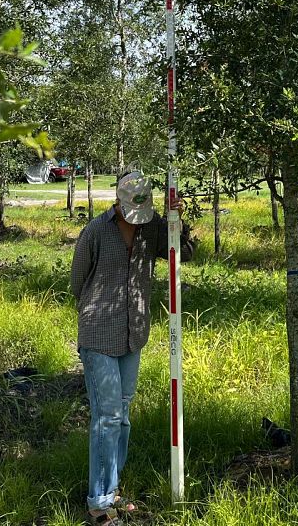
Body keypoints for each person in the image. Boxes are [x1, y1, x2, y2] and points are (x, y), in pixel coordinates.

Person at [70, 168, 194, 524]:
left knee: (122, 416)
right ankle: (99, 502)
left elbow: (182, 254)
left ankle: (111, 486)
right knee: (106, 417)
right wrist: (97, 309)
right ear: (117, 202)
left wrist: (177, 221)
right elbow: (78, 282)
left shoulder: (152, 227)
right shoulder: (95, 231)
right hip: (98, 335)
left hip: (133, 334)